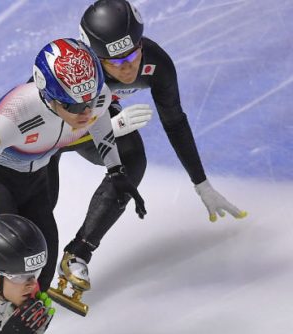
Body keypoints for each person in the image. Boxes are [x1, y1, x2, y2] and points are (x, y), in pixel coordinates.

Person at [47, 0, 247, 307]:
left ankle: (78, 253)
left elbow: (175, 121)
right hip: (46, 135)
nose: (128, 67)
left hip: (97, 117)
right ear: (95, 57)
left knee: (131, 157)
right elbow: (47, 137)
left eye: (132, 53)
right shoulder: (69, 71)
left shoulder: (156, 63)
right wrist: (109, 126)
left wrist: (201, 182)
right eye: (115, 61)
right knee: (37, 210)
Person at [0, 38, 137, 305]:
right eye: (75, 105)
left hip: (37, 183)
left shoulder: (94, 96)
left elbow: (99, 118)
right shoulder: (16, 112)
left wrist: (115, 169)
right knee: (7, 260)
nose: (85, 111)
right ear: (48, 94)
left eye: (90, 101)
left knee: (41, 266)